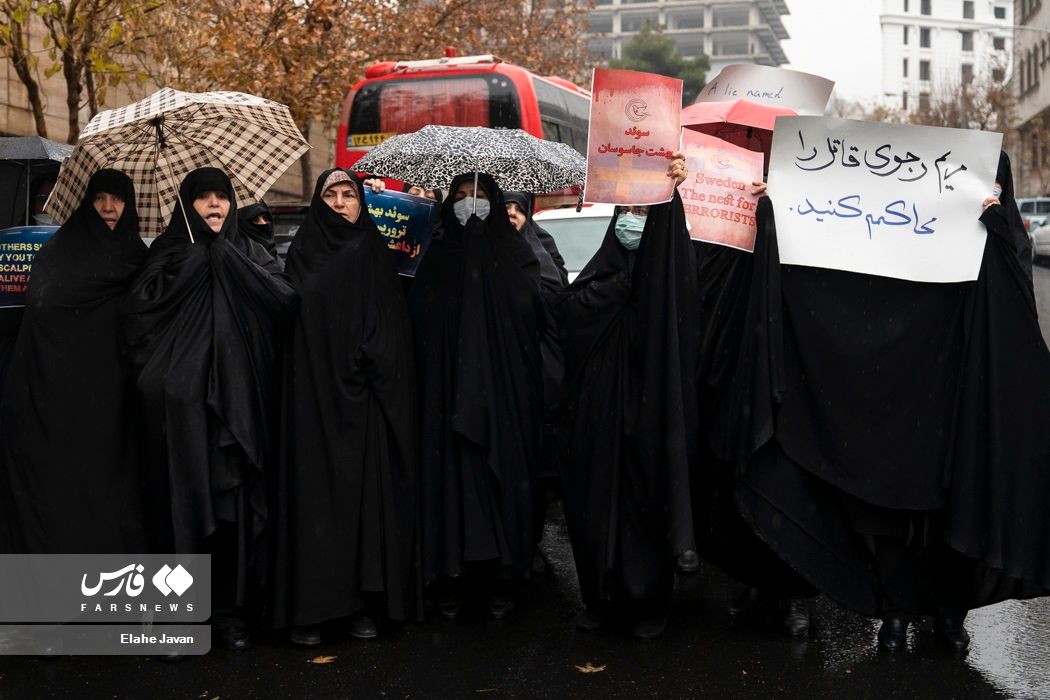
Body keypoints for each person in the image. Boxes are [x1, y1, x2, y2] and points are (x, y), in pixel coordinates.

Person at [731, 152, 1050, 653]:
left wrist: (995, 231)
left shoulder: (1003, 236)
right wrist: (781, 213)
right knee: (893, 517)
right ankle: (895, 615)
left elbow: (1015, 314)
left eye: (994, 184)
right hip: (902, 398)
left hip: (961, 402)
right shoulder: (903, 230)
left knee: (954, 515)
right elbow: (844, 273)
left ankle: (947, 615)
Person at [122, 167, 297, 652]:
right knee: (180, 511)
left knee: (234, 514)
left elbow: (284, 303)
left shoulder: (252, 251)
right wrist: (197, 261)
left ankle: (232, 614)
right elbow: (138, 317)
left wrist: (225, 257)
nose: (215, 206)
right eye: (203, 199)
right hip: (178, 417)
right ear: (187, 205)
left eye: (222, 197)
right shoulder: (169, 253)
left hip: (240, 411)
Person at [271, 169, 419, 646]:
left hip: (362, 406)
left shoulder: (374, 252)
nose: (339, 203)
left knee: (360, 508)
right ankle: (311, 609)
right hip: (311, 403)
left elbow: (391, 327)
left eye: (348, 195)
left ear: (361, 203)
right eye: (331, 195)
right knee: (314, 505)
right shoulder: (301, 254)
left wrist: (370, 363)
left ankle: (357, 604)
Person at [557, 155, 699, 640]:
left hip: (650, 416)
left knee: (646, 506)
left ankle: (649, 603)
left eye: (642, 216)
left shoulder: (668, 287)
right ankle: (600, 597)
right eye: (626, 215)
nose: (631, 224)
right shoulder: (602, 274)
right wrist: (619, 288)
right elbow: (573, 314)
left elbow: (672, 320)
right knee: (593, 508)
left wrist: (673, 193)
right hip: (597, 420)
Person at [409, 172, 546, 620]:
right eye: (463, 195)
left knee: (501, 482)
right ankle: (451, 575)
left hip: (503, 392)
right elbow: (419, 316)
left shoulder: (515, 253)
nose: (472, 204)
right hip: (448, 393)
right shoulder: (438, 253)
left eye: (481, 196)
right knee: (452, 487)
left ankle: (502, 577)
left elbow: (532, 309)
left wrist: (485, 271)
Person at [0, 169, 148, 554]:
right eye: (99, 197)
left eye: (118, 198)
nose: (108, 207)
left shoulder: (142, 262)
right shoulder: (58, 254)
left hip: (118, 408)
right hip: (57, 404)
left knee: (113, 499)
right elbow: (43, 317)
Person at [504, 191, 568, 574]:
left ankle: (532, 538)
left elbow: (556, 294)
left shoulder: (542, 244)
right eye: (505, 208)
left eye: (518, 208)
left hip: (543, 373)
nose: (512, 215)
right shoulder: (490, 249)